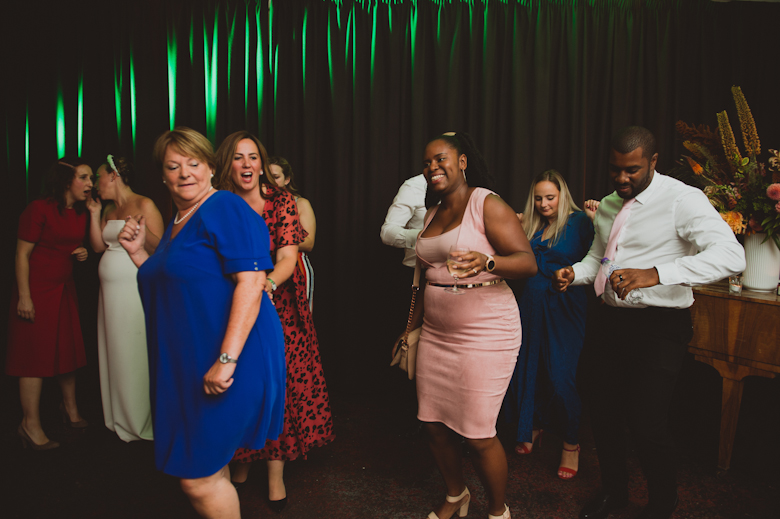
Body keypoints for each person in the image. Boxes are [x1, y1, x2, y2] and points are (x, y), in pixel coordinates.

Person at [553, 126, 745, 519]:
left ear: (653, 162)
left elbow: (731, 256)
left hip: (659, 327)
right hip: (608, 322)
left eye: (632, 171)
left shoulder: (682, 200)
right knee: (603, 414)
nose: (622, 179)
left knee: (646, 423)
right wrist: (576, 272)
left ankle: (662, 502)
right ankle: (614, 492)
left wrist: (656, 272)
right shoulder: (608, 205)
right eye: (615, 169)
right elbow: (599, 256)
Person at [118, 127, 286, 519]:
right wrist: (139, 253)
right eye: (173, 166)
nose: (184, 173)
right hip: (194, 361)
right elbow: (180, 287)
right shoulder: (179, 221)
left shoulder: (223, 207)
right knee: (211, 463)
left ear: (211, 168)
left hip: (230, 357)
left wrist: (226, 360)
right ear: (162, 175)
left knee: (198, 477)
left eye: (194, 163)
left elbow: (252, 281)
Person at [397, 133, 537, 519]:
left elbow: (527, 262)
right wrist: (411, 328)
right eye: (426, 163)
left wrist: (487, 261)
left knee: (477, 433)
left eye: (440, 159)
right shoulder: (430, 214)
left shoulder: (486, 203)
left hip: (487, 332)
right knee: (433, 424)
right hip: (438, 335)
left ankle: (498, 511)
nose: (432, 168)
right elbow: (424, 281)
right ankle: (457, 495)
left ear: (461, 161)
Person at [215, 131, 334, 512]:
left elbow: (287, 257)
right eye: (238, 157)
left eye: (253, 157)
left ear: (262, 164)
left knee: (277, 390)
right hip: (230, 304)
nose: (247, 164)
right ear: (226, 164)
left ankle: (275, 476)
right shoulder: (219, 204)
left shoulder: (280, 202)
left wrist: (263, 285)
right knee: (237, 385)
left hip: (277, 305)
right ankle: (241, 460)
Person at [509, 170, 594, 479]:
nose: (544, 204)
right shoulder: (529, 225)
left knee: (561, 376)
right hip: (530, 303)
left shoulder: (580, 222)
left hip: (564, 305)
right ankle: (531, 425)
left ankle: (571, 442)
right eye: (539, 198)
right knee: (528, 367)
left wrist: (599, 222)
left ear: (562, 196)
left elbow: (599, 257)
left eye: (550, 197)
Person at [7, 158, 92, 450]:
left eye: (92, 178)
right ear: (67, 181)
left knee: (66, 352)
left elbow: (70, 245)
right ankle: (29, 426)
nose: (91, 184)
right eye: (84, 177)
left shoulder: (81, 212)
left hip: (64, 289)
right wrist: (24, 296)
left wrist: (80, 252)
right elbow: (21, 255)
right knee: (33, 357)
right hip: (37, 291)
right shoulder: (38, 209)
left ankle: (70, 411)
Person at [86, 154, 164, 442]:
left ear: (114, 175)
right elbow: (97, 247)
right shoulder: (107, 208)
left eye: (98, 176)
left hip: (135, 288)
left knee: (135, 347)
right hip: (108, 295)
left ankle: (142, 418)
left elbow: (161, 247)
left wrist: (141, 232)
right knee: (114, 349)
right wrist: (94, 215)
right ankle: (119, 416)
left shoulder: (144, 204)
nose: (96, 183)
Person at [268, 155, 316, 311]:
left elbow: (309, 243)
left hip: (297, 266)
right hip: (267, 267)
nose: (272, 182)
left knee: (299, 317)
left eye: (276, 177)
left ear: (287, 179)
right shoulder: (258, 203)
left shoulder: (300, 203)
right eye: (268, 177)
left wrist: (277, 239)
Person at [380, 173, 428, 267]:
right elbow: (387, 232)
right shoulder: (415, 186)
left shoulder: (465, 188)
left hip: (460, 274)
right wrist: (425, 237)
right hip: (419, 273)